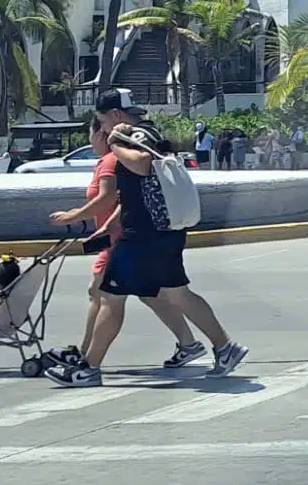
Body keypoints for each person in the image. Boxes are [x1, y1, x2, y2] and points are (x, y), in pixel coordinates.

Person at [45, 89, 248, 387]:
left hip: (143, 236)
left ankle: (88, 368)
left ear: (114, 116)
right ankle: (225, 347)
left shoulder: (132, 137)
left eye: (101, 122)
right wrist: (110, 227)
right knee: (178, 294)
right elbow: (133, 194)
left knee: (110, 299)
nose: (101, 130)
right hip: (161, 232)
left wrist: (114, 142)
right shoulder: (147, 132)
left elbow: (141, 165)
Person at [46, 116, 204, 369]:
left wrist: (72, 217)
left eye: (91, 131)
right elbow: (125, 199)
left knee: (104, 295)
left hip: (126, 241)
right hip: (121, 237)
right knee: (151, 294)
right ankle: (191, 343)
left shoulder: (111, 160)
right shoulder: (114, 158)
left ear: (100, 133)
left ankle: (86, 358)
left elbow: (108, 198)